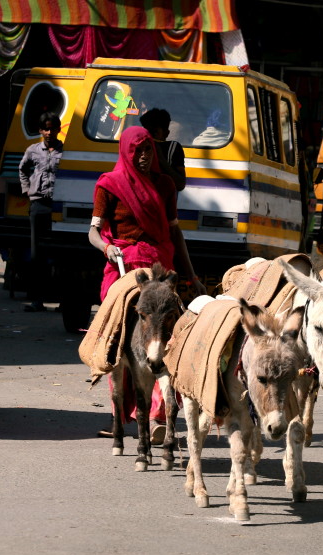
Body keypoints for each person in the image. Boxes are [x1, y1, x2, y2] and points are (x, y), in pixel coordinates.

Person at [88, 126, 206, 440]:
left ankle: (159, 416)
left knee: (168, 339)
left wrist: (191, 276)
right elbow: (94, 231)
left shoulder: (166, 185)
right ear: (125, 151)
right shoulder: (109, 185)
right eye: (136, 151)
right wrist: (106, 247)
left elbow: (175, 231)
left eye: (148, 151)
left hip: (160, 268)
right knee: (119, 336)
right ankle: (121, 413)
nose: (142, 157)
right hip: (123, 269)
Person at [18, 112, 62, 312]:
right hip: (38, 206)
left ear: (58, 129)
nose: (49, 132)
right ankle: (37, 300)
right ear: (40, 130)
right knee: (37, 254)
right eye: (45, 128)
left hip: (58, 206)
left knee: (61, 254)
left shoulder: (66, 150)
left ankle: (64, 301)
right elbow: (22, 169)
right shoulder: (33, 150)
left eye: (52, 128)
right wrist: (27, 190)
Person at [139, 108, 186, 192]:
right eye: (147, 131)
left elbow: (180, 184)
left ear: (166, 133)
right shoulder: (139, 145)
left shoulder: (172, 147)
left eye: (154, 132)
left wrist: (161, 158)